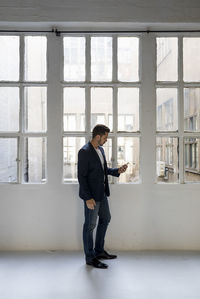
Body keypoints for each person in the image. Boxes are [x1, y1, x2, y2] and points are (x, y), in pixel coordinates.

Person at [77, 124, 128, 269]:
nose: (106, 140)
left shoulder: (101, 150)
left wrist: (117, 171)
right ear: (98, 136)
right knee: (90, 226)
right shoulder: (84, 152)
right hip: (91, 197)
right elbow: (81, 177)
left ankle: (99, 251)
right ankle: (90, 257)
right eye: (105, 137)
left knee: (106, 219)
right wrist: (87, 198)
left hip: (102, 194)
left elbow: (103, 170)